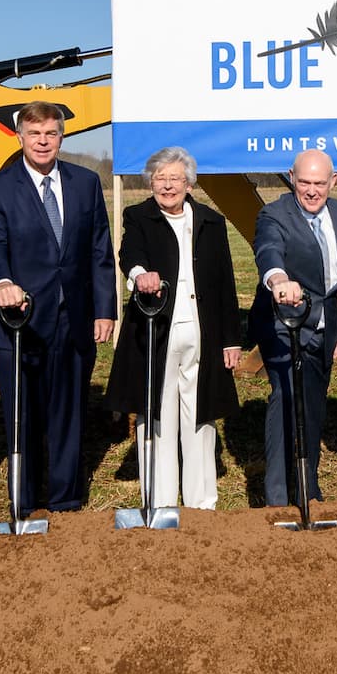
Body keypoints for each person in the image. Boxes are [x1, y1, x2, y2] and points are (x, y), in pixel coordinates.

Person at [0, 101, 116, 513]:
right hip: (18, 321)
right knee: (22, 415)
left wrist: (104, 309)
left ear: (61, 137)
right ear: (19, 137)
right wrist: (2, 282)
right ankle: (24, 502)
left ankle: (65, 499)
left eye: (51, 133)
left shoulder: (85, 183)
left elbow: (100, 250)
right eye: (34, 134)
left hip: (73, 319)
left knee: (69, 413)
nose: (42, 141)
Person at [111, 145, 242, 509]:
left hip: (202, 332)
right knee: (156, 413)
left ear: (189, 183)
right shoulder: (138, 216)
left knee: (200, 416)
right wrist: (140, 275)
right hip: (156, 332)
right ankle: (160, 502)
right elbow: (129, 254)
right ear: (150, 182)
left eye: (175, 178)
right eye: (160, 178)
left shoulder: (211, 222)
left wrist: (231, 339)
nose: (168, 186)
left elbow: (225, 282)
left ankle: (202, 502)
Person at [250, 148, 337, 508]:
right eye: (304, 182)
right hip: (285, 322)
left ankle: (307, 491)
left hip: (325, 327)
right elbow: (268, 251)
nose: (312, 191)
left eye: (319, 183)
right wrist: (279, 280)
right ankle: (277, 499)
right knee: (286, 398)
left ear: (333, 181)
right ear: (291, 178)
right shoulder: (274, 214)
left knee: (313, 408)